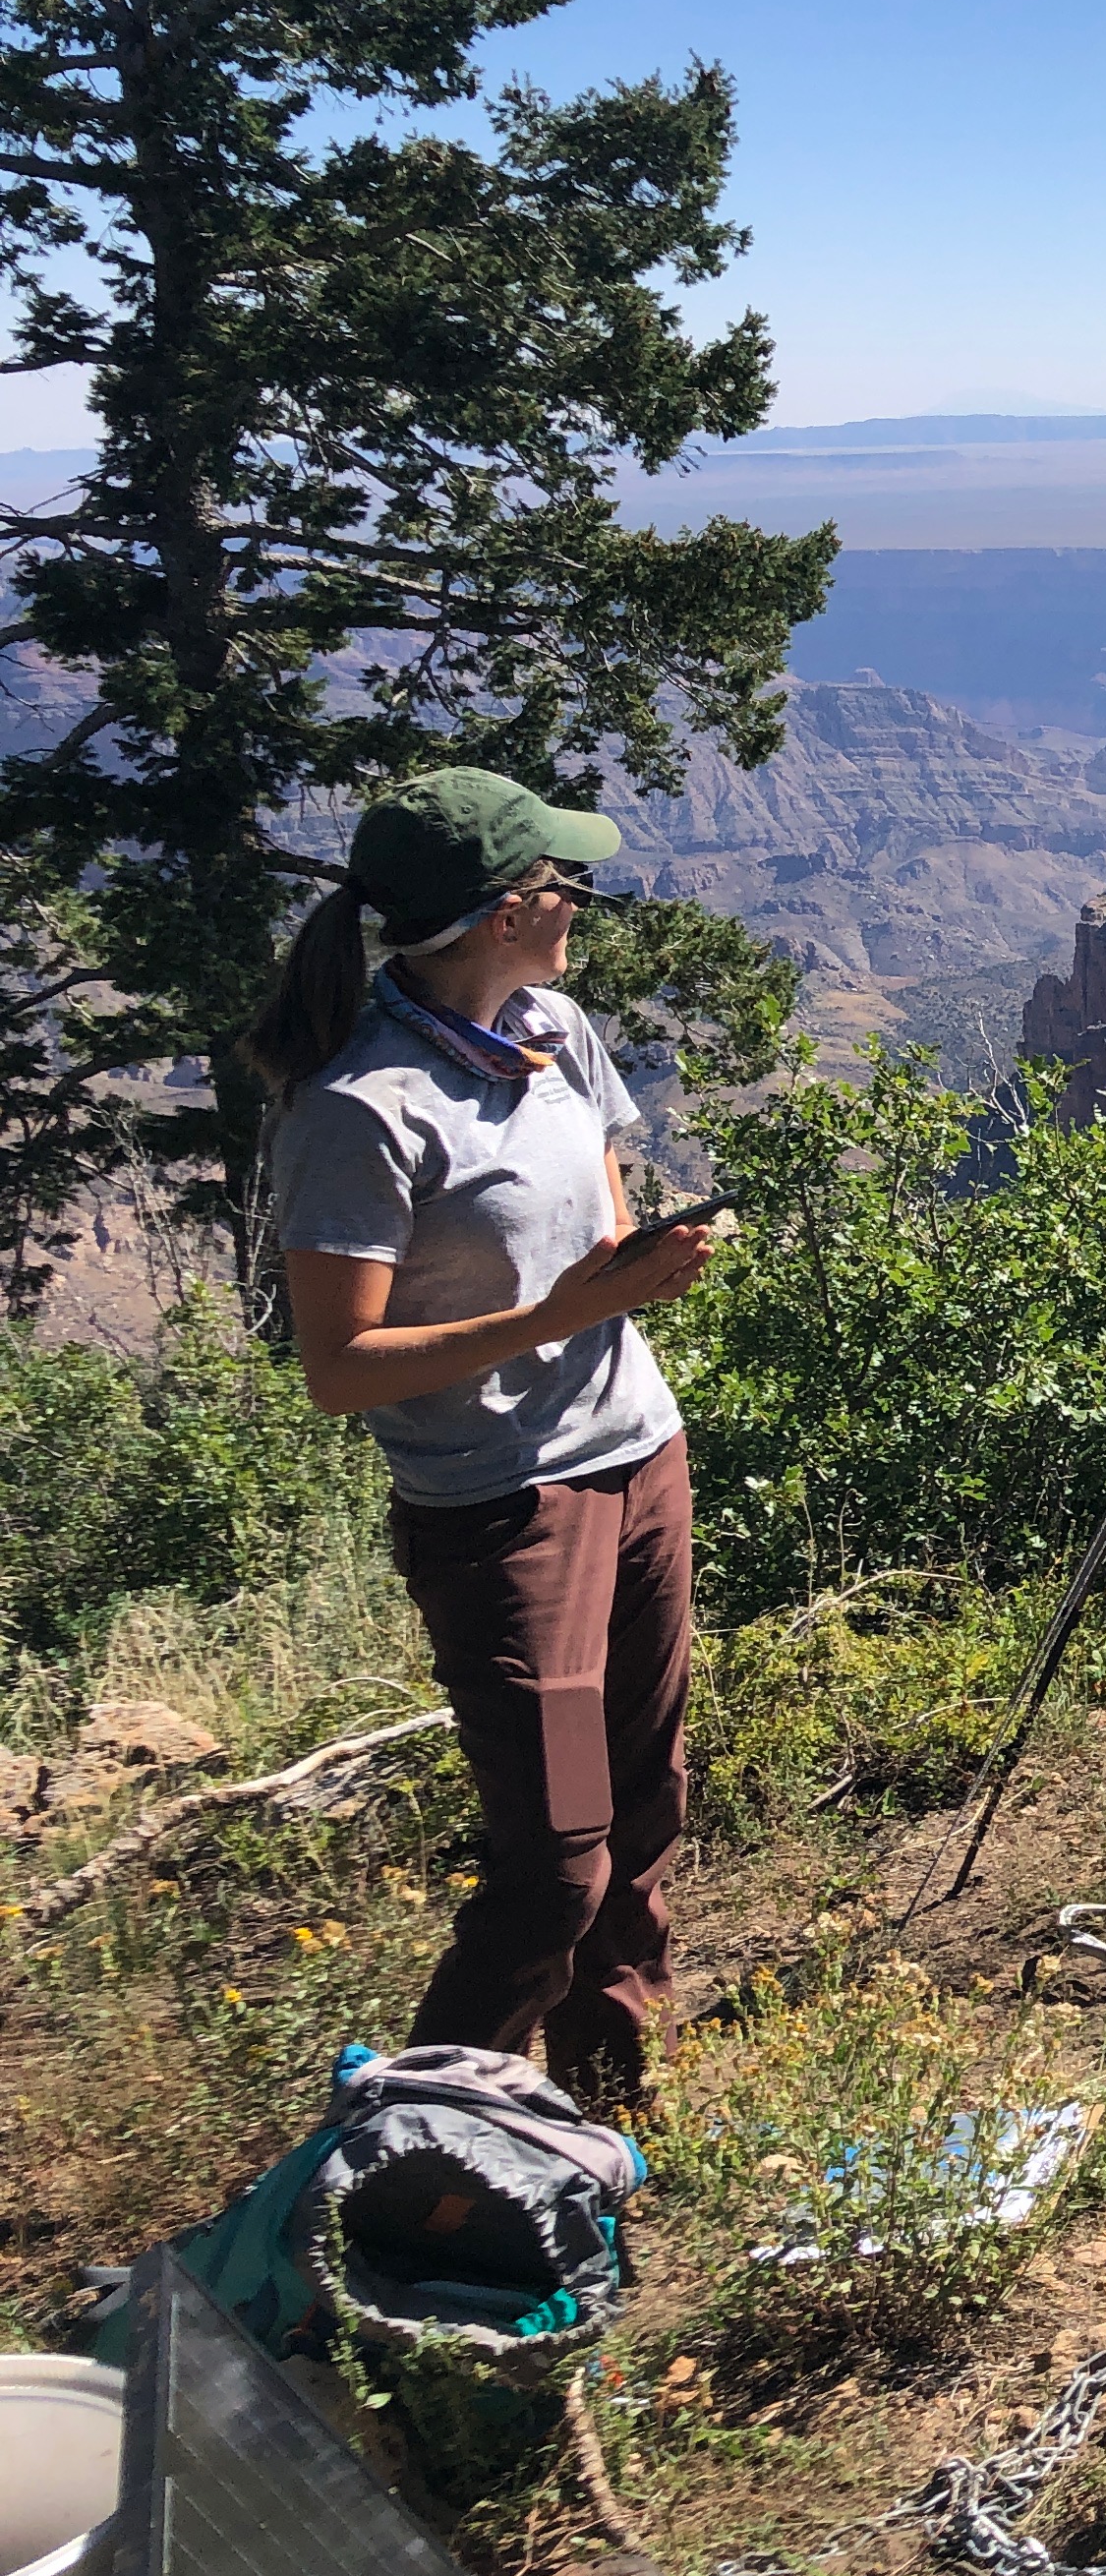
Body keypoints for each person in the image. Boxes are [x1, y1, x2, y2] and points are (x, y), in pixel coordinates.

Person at [244, 769, 720, 2112]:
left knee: (645, 1809)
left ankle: (602, 2122)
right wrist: (561, 1313)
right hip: (505, 1509)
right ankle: (412, 2156)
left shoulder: (554, 1028)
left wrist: (639, 1268)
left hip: (639, 1455)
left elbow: (599, 1232)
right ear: (508, 912)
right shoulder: (361, 1107)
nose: (582, 904)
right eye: (565, 885)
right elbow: (339, 1368)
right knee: (556, 1863)